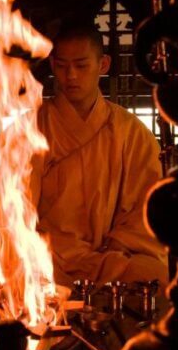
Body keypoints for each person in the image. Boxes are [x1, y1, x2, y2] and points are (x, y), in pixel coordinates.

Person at [31, 21, 169, 287]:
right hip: (47, 255)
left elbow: (145, 206)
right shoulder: (31, 127)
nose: (70, 75)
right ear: (52, 65)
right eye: (61, 66)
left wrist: (117, 245)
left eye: (81, 66)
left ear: (103, 65)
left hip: (111, 256)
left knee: (157, 274)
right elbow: (15, 203)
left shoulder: (131, 132)